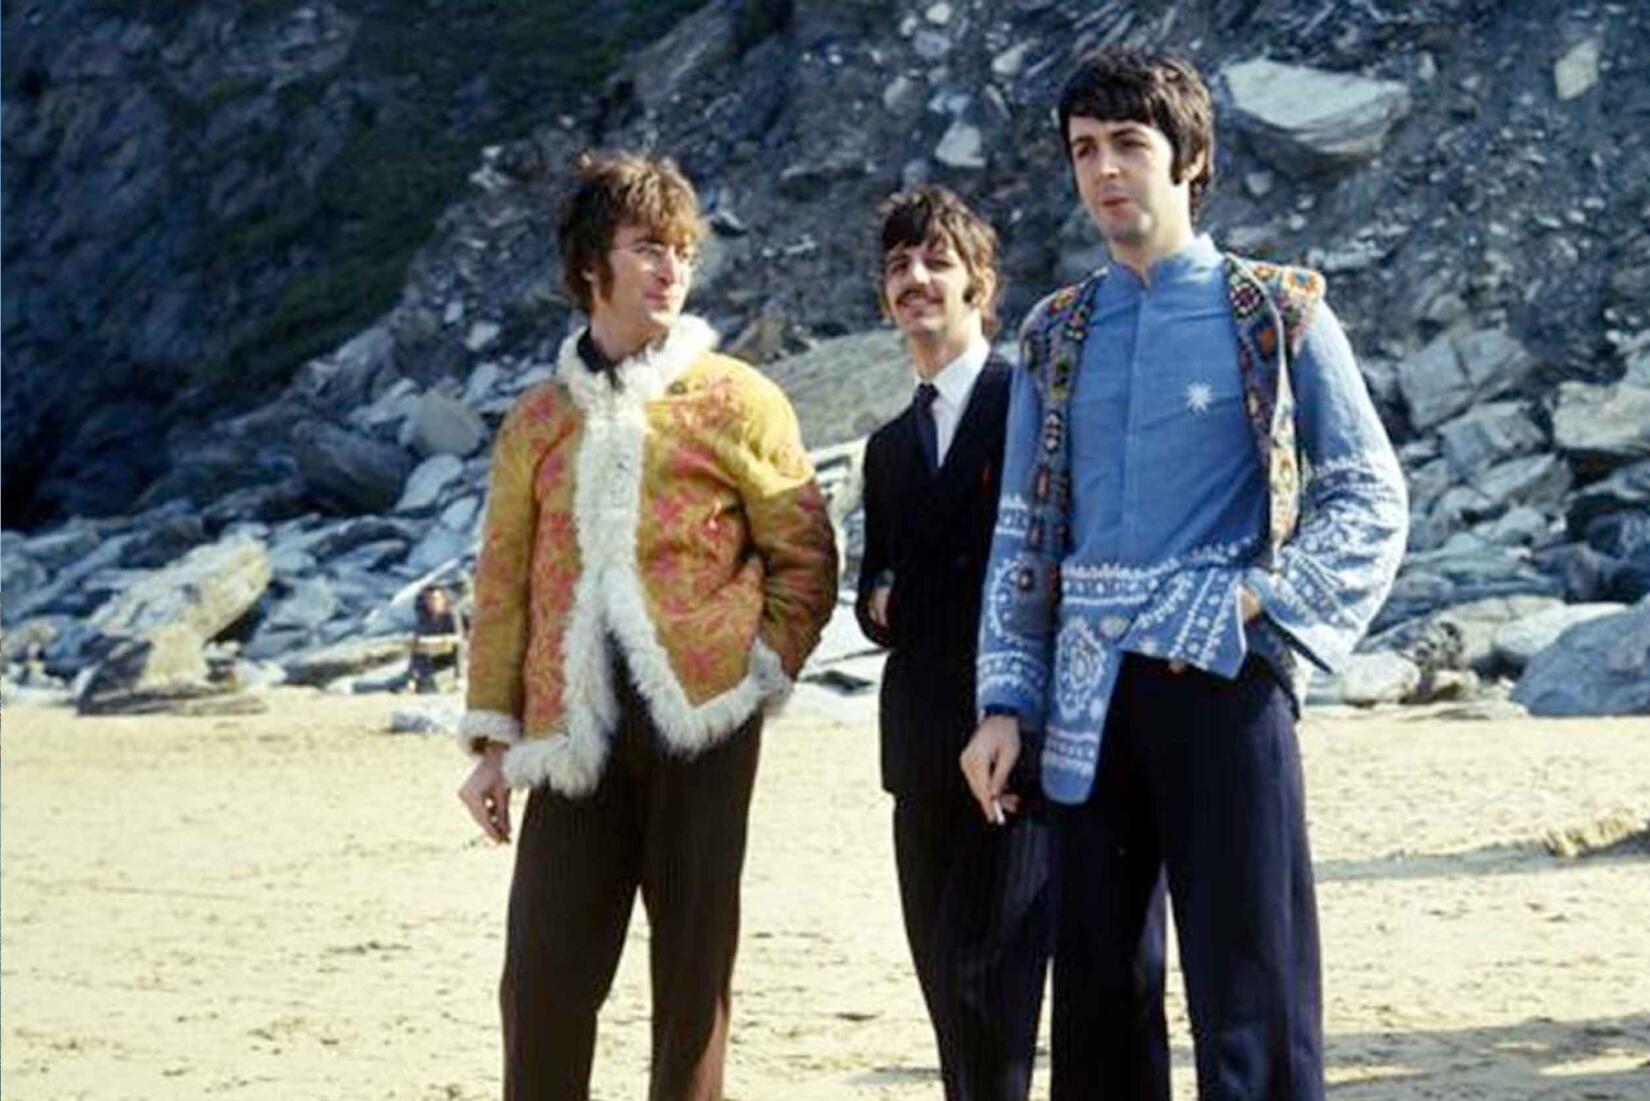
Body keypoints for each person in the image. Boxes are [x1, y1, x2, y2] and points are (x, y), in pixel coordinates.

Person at [961, 47, 1409, 1101]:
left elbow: (1369, 497)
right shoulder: (1054, 333)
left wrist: (1257, 598)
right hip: (1084, 706)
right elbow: (1026, 537)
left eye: (1129, 145)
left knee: (1252, 995)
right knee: (1100, 1002)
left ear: (1189, 158)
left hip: (1225, 684)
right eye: (1085, 150)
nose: (1106, 170)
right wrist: (1002, 703)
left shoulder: (1279, 310)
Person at [455, 151, 838, 1101]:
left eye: (683, 252)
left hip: (703, 720)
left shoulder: (739, 399)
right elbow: (502, 582)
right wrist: (493, 738)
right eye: (648, 249)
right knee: (540, 983)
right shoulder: (537, 420)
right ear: (594, 264)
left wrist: (760, 668)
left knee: (693, 983)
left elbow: (805, 551)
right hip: (571, 731)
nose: (671, 269)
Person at [854, 185, 1051, 1101]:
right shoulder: (889, 447)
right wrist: (880, 595)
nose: (916, 279)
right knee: (944, 984)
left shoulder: (1029, 406)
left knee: (992, 984)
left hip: (1012, 741)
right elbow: (876, 583)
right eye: (899, 266)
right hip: (917, 746)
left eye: (936, 260)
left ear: (981, 283)